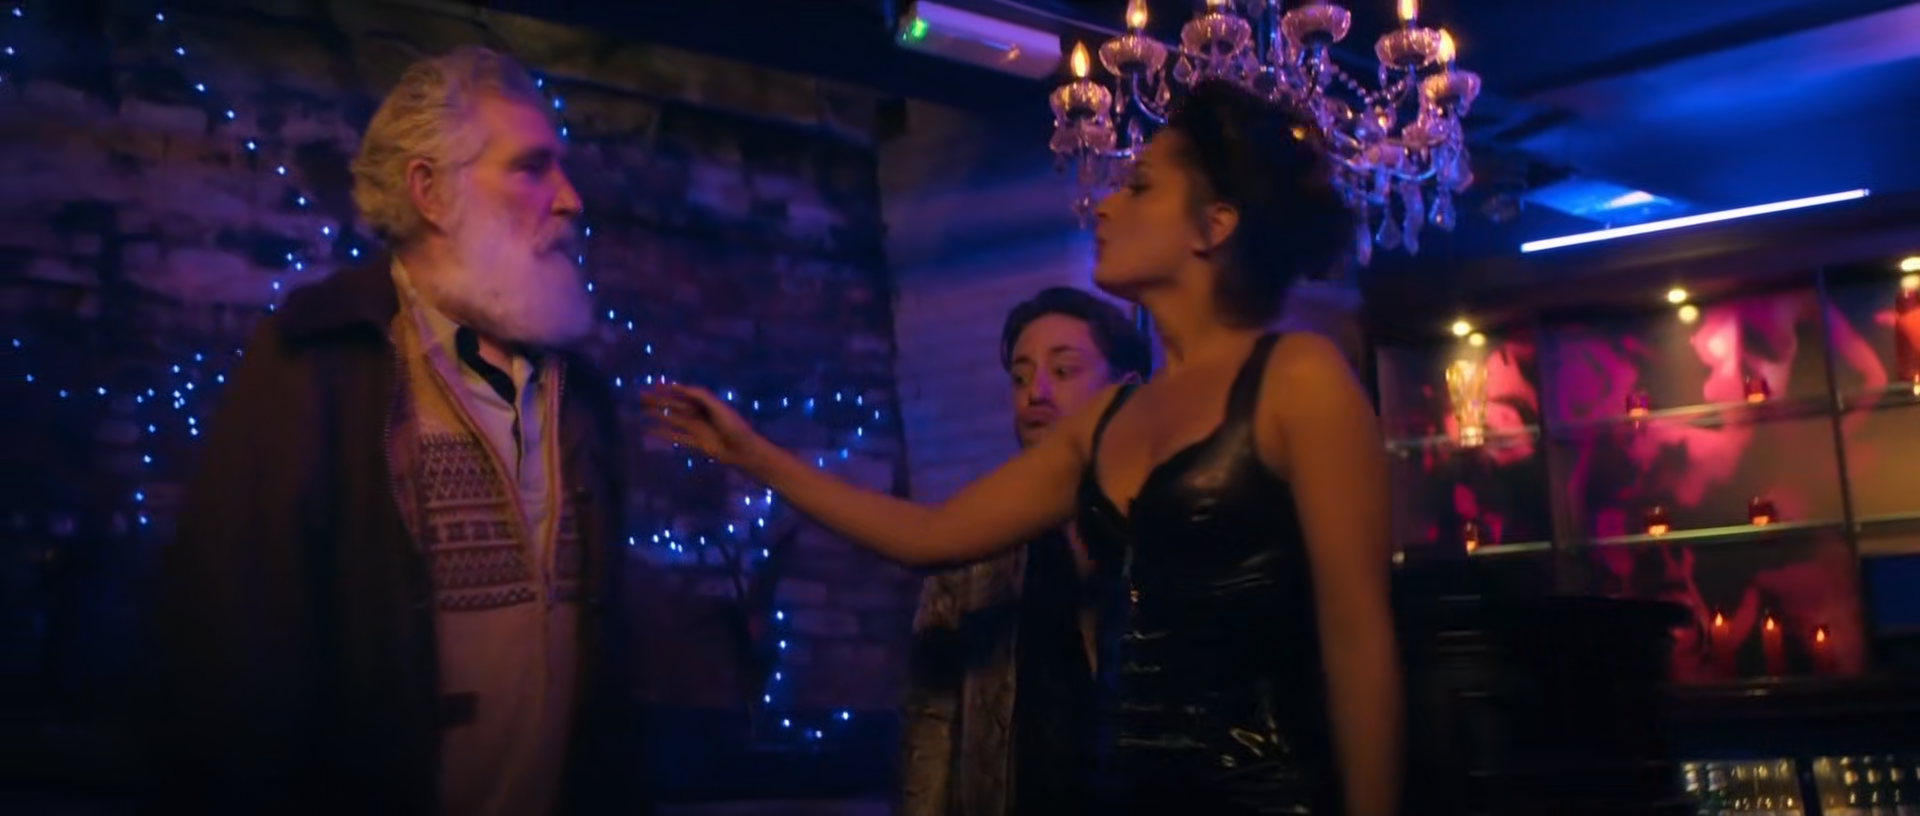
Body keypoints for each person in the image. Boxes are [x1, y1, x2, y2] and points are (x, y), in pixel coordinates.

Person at [648, 79, 1400, 815]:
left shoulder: (1299, 379)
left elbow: (1359, 643)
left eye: (1139, 187)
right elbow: (930, 535)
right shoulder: (1105, 419)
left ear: (1213, 226)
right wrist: (754, 455)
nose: (1104, 204)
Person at [153, 46, 649, 815]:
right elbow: (234, 648)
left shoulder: (578, 392)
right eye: (531, 168)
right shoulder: (320, 360)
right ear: (431, 192)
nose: (571, 200)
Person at [899, 287, 1153, 816]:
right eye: (1019, 377)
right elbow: (932, 719)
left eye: (1063, 371)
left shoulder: (1168, 529)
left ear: (1126, 390)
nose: (1035, 393)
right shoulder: (977, 544)